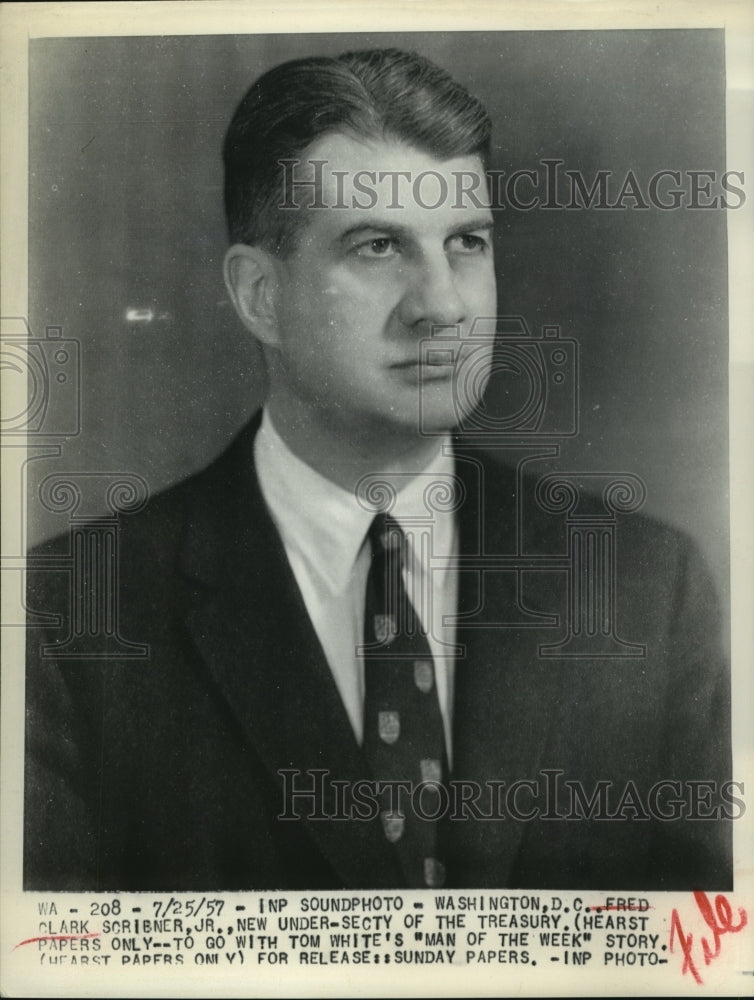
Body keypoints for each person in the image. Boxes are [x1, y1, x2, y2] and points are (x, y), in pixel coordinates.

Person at [24, 48, 732, 891]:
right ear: (259, 296)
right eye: (375, 247)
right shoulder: (69, 618)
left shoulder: (645, 588)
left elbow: (705, 953)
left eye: (466, 242)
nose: (442, 305)